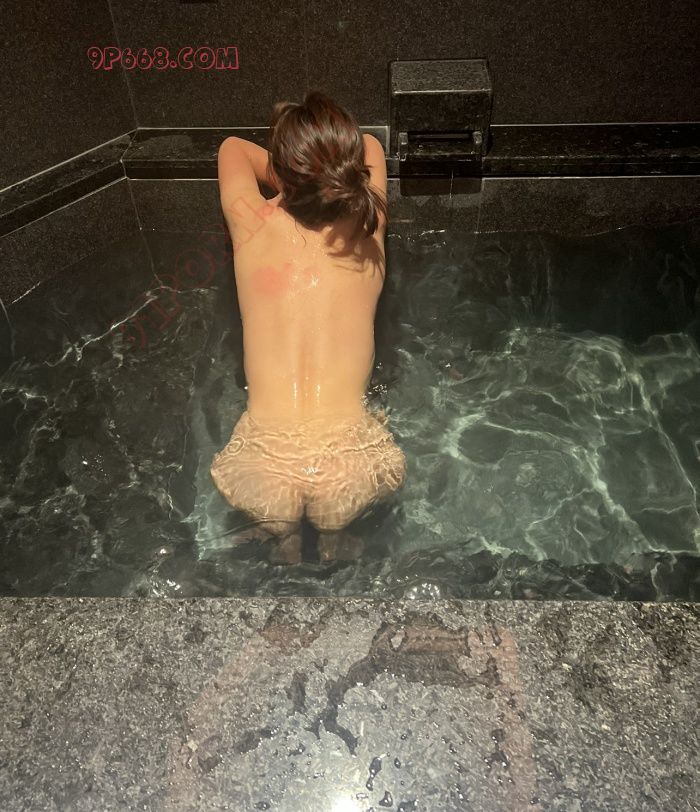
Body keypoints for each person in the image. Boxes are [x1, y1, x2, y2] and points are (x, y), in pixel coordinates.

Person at [210, 90, 406, 560]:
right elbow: (371, 146)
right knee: (342, 524)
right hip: (354, 467)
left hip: (259, 468)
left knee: (278, 531)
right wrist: (317, 173)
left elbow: (232, 148)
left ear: (283, 173)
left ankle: (284, 537)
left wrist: (291, 172)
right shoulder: (369, 224)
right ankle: (336, 537)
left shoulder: (251, 223)